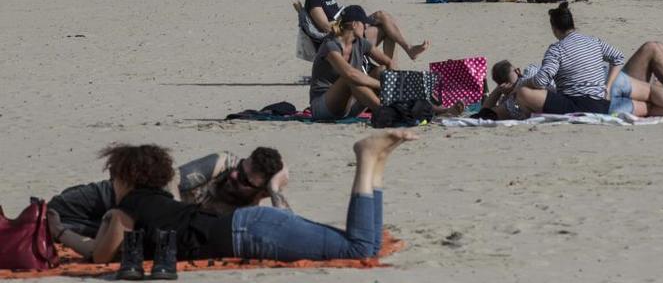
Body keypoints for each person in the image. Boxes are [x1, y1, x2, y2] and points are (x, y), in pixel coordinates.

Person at [49, 133, 417, 264]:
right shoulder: (155, 202)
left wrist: (60, 232)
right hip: (252, 228)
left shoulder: (126, 209)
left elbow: (99, 253)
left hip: (250, 233)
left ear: (126, 177)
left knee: (359, 249)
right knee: (360, 245)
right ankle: (377, 165)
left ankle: (368, 158)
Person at [514, 3, 663, 118]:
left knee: (523, 93)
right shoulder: (593, 41)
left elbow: (542, 81)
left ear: (554, 28)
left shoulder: (556, 49)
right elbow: (618, 57)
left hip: (578, 104)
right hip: (602, 100)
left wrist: (526, 83)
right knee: (649, 95)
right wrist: (607, 84)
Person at [47, 147, 288, 239]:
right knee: (56, 208)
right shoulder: (223, 164)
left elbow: (289, 227)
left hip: (145, 229)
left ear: (262, 192)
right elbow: (173, 177)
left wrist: (275, 190)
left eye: (245, 180)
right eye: (240, 169)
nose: (235, 176)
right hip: (127, 195)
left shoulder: (248, 210)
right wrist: (174, 213)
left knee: (66, 229)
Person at [302, 0, 429, 60]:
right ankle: (395, 66)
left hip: (347, 28)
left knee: (382, 15)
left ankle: (400, 60)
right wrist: (349, 22)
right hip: (341, 38)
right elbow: (326, 27)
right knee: (387, 30)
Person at [310, 5, 397, 120]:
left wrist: (394, 85)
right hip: (323, 107)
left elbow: (388, 62)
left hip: (351, 103)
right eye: (363, 23)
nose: (366, 27)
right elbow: (350, 74)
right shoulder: (330, 45)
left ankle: (394, 106)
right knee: (349, 77)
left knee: (381, 71)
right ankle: (385, 111)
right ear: (354, 24)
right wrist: (380, 85)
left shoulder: (361, 42)